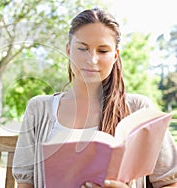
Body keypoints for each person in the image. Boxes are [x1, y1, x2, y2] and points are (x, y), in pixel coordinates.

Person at [12, 8, 177, 188]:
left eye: (103, 51)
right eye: (82, 48)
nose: (92, 60)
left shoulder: (139, 109)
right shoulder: (39, 109)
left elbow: (170, 182)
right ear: (68, 50)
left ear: (115, 55)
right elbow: (24, 183)